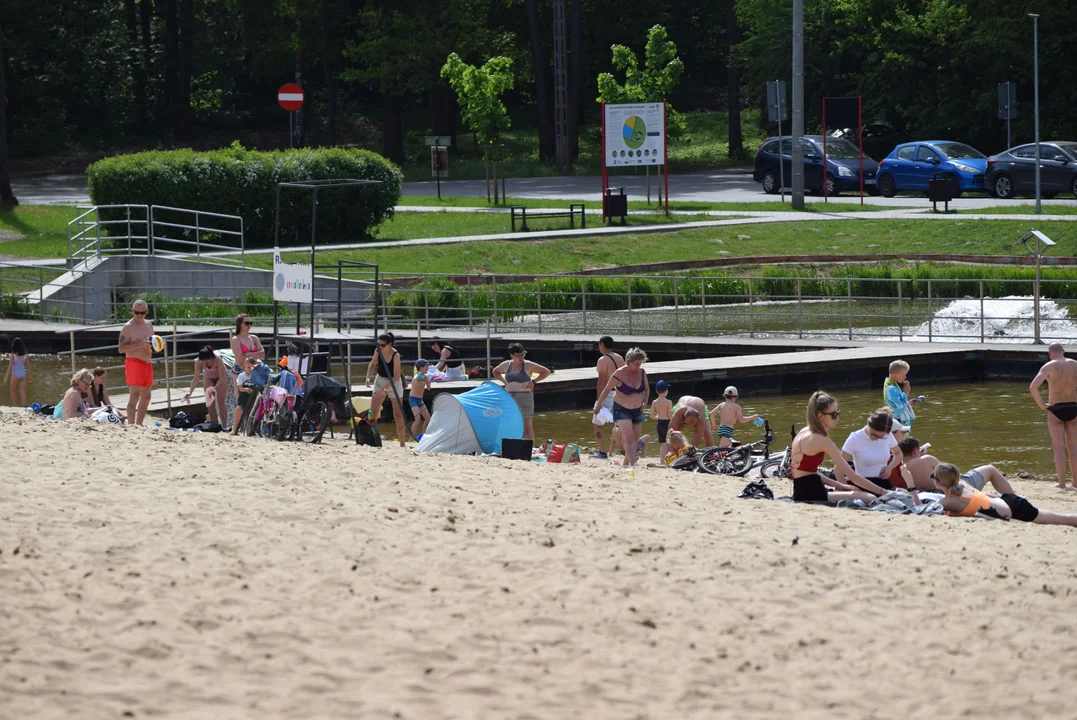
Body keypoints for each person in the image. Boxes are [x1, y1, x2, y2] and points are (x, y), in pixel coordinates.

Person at [789, 391, 879, 505]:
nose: (837, 418)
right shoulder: (822, 439)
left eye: (838, 413)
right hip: (813, 495)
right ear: (820, 416)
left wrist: (840, 485)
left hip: (802, 492)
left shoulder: (803, 431)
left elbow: (808, 473)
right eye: (834, 415)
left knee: (854, 492)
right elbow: (852, 476)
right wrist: (883, 492)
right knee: (870, 498)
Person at [935, 462, 1077, 526]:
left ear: (940, 483)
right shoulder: (962, 484)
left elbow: (921, 509)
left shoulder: (948, 501)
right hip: (1009, 500)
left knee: (1063, 520)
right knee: (1059, 517)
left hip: (1014, 510)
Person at [1029, 343, 1077, 489]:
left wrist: (1042, 405)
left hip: (1056, 408)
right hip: (1074, 407)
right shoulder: (1075, 364)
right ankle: (1075, 483)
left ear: (1050, 353)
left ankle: (1061, 483)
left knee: (1058, 447)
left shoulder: (1048, 366)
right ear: (1063, 351)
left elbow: (1033, 387)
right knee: (1074, 447)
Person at [593, 347, 649, 467]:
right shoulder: (619, 373)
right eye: (636, 363)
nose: (638, 366)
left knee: (635, 438)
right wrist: (598, 404)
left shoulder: (642, 372)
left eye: (640, 363)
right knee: (628, 437)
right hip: (621, 409)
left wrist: (645, 402)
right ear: (629, 361)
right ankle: (633, 463)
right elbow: (607, 389)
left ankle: (625, 463)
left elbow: (647, 389)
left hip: (638, 410)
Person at [493, 343, 551, 442]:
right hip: (510, 397)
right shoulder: (507, 364)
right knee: (511, 423)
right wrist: (505, 382)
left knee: (527, 426)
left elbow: (546, 371)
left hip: (525, 397)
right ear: (512, 355)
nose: (521, 357)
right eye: (518, 355)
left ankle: (530, 447)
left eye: (523, 354)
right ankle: (514, 445)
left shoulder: (527, 364)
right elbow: (495, 371)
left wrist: (534, 382)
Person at [840, 409, 901, 495]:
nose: (876, 439)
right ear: (868, 424)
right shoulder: (855, 438)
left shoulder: (888, 435)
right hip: (862, 484)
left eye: (881, 437)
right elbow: (838, 468)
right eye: (874, 435)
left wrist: (890, 467)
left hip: (884, 483)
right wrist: (844, 489)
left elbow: (898, 454)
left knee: (904, 495)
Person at [366, 332, 407, 447]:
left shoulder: (396, 355)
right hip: (380, 379)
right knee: (373, 412)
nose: (380, 347)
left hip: (394, 382)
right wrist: (368, 377)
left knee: (398, 414)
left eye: (383, 345)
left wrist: (383, 389)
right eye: (378, 344)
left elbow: (396, 377)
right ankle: (371, 439)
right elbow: (373, 363)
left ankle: (402, 443)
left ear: (390, 344)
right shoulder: (377, 351)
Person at [118, 299, 154, 425]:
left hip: (147, 362)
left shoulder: (148, 325)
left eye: (142, 313)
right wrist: (140, 345)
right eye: (137, 312)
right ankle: (131, 425)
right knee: (134, 395)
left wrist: (159, 345)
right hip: (134, 362)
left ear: (147, 312)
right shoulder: (128, 327)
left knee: (146, 397)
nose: (139, 315)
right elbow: (121, 348)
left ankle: (139, 424)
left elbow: (152, 343)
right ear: (132, 311)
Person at [591, 336, 624, 459]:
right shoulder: (619, 358)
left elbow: (602, 382)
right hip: (620, 393)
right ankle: (622, 449)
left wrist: (598, 401)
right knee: (619, 423)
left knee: (597, 423)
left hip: (608, 394)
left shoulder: (602, 360)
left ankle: (602, 451)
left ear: (602, 344)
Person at [184, 345, 228, 423]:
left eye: (207, 362)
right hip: (209, 377)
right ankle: (214, 424)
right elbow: (195, 378)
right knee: (210, 403)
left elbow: (222, 377)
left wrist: (215, 388)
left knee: (221, 403)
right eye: (203, 363)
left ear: (210, 357)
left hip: (221, 378)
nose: (205, 365)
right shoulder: (198, 362)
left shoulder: (217, 359)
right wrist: (189, 392)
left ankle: (224, 425)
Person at [883, 359, 923, 429]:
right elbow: (898, 408)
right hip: (898, 423)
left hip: (897, 421)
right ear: (895, 375)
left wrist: (908, 403)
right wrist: (906, 393)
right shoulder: (891, 389)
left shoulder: (892, 384)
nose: (905, 377)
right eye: (903, 375)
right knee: (902, 439)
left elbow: (896, 403)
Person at [231, 357, 258, 435]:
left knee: (251, 412)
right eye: (248, 367)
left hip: (252, 397)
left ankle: (250, 429)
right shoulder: (241, 376)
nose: (250, 369)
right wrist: (246, 389)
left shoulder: (255, 376)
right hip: (243, 396)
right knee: (240, 409)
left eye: (252, 367)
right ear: (244, 366)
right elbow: (240, 387)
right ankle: (235, 427)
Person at [4, 337, 31, 407]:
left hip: (15, 374)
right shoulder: (25, 355)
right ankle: (24, 405)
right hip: (23, 374)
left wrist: (6, 378)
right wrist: (30, 376)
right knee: (22, 391)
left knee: (13, 391)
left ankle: (14, 405)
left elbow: (10, 366)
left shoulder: (13, 355)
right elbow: (28, 365)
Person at [409, 359, 432, 438]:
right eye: (426, 367)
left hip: (420, 400)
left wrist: (427, 381)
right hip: (413, 399)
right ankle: (411, 439)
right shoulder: (417, 376)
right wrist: (424, 379)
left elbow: (428, 388)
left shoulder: (424, 377)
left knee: (428, 418)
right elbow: (418, 378)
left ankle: (424, 435)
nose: (427, 368)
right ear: (421, 367)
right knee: (417, 419)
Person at [651, 380, 673, 445]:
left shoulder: (654, 402)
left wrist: (658, 417)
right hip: (667, 422)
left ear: (656, 391)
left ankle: (662, 455)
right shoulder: (669, 402)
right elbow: (669, 415)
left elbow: (652, 416)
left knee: (663, 443)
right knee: (669, 442)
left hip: (660, 423)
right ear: (666, 391)